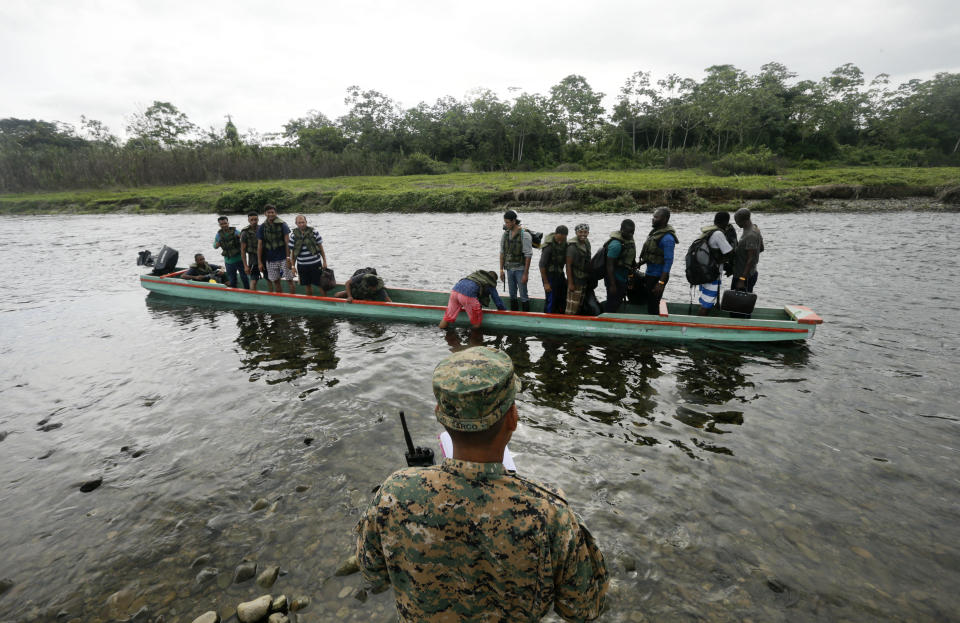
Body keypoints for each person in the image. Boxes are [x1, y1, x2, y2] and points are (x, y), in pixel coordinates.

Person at [356, 347, 608, 622]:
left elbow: (373, 573)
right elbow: (583, 609)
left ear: (441, 416)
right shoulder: (550, 514)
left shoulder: (393, 493)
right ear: (512, 417)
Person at [638, 207, 678, 315]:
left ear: (664, 219)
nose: (653, 219)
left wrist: (661, 283)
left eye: (656, 217)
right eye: (653, 216)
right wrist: (639, 264)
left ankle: (652, 327)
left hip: (658, 277)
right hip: (650, 274)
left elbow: (668, 262)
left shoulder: (668, 238)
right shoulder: (656, 233)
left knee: (653, 305)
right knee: (650, 302)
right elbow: (652, 254)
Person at [695, 212, 736, 315]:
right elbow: (729, 252)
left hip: (704, 272)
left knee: (705, 300)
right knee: (707, 304)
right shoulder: (718, 234)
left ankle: (700, 324)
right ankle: (697, 326)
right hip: (712, 275)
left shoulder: (708, 231)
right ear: (726, 222)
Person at [438, 270, 506, 329]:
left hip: (454, 291)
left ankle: (441, 330)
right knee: (477, 323)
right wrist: (504, 312)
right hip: (467, 296)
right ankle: (472, 339)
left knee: (447, 318)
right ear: (493, 280)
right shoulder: (490, 282)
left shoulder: (476, 275)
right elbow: (498, 302)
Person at [499, 210, 533, 312]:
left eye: (508, 222)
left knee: (523, 294)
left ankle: (526, 316)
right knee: (512, 294)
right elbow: (502, 252)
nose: (506, 224)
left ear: (514, 221)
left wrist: (525, 274)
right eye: (505, 222)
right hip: (509, 269)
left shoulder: (525, 235)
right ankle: (514, 314)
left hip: (520, 269)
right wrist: (501, 270)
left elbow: (528, 255)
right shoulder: (505, 235)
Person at [288, 214, 328, 296]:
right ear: (296, 223)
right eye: (299, 223)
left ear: (306, 222)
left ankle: (326, 302)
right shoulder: (293, 236)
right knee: (307, 286)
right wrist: (293, 266)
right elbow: (293, 254)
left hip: (315, 264)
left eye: (303, 222)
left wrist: (324, 261)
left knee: (321, 284)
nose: (301, 224)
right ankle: (311, 301)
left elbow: (321, 248)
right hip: (302, 266)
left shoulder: (314, 232)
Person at [256, 204, 292, 294]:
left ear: (276, 213)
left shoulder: (283, 225)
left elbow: (288, 243)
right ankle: (280, 298)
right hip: (270, 259)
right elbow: (259, 245)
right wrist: (260, 262)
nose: (271, 214)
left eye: (272, 212)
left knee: (289, 280)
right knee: (275, 281)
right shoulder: (262, 227)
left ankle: (292, 300)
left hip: (283, 257)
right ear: (265, 214)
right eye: (268, 212)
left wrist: (288, 258)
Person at [603, 218, 636, 313]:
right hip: (614, 279)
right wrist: (612, 285)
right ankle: (606, 320)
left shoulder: (629, 240)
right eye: (629, 232)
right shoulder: (616, 245)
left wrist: (631, 277)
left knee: (617, 302)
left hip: (623, 277)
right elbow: (609, 266)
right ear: (622, 230)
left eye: (632, 232)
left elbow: (631, 259)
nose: (631, 235)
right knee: (612, 303)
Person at [731, 207, 764, 292]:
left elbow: (751, 259)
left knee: (739, 303)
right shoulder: (754, 228)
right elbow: (761, 248)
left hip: (745, 277)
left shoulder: (751, 235)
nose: (736, 223)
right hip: (743, 273)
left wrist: (742, 279)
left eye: (737, 221)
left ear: (744, 220)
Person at [538, 225, 568, 313]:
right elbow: (541, 265)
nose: (560, 241)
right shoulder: (548, 247)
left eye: (562, 239)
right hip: (549, 276)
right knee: (551, 299)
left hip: (559, 274)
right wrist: (546, 283)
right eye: (558, 239)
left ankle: (560, 315)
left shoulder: (565, 245)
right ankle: (548, 316)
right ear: (555, 234)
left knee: (562, 297)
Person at [213, 216, 249, 289]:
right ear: (219, 225)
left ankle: (248, 291)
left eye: (225, 223)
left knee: (244, 277)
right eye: (222, 224)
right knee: (232, 280)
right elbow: (214, 246)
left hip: (240, 259)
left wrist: (240, 237)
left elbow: (245, 240)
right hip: (228, 261)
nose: (224, 225)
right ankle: (234, 291)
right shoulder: (218, 235)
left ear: (228, 223)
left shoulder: (236, 232)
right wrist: (217, 244)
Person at [565, 223, 591, 315]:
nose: (583, 234)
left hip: (583, 279)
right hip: (575, 280)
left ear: (588, 233)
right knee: (572, 306)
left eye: (585, 232)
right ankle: (567, 322)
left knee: (579, 305)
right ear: (576, 233)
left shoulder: (587, 243)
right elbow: (568, 265)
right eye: (580, 232)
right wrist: (570, 283)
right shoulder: (572, 247)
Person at [239, 211, 262, 291]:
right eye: (251, 220)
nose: (254, 222)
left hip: (264, 256)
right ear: (248, 220)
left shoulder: (262, 228)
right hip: (253, 258)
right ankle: (253, 295)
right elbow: (243, 250)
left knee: (270, 278)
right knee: (254, 280)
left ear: (258, 219)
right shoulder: (245, 232)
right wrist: (245, 266)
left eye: (255, 219)